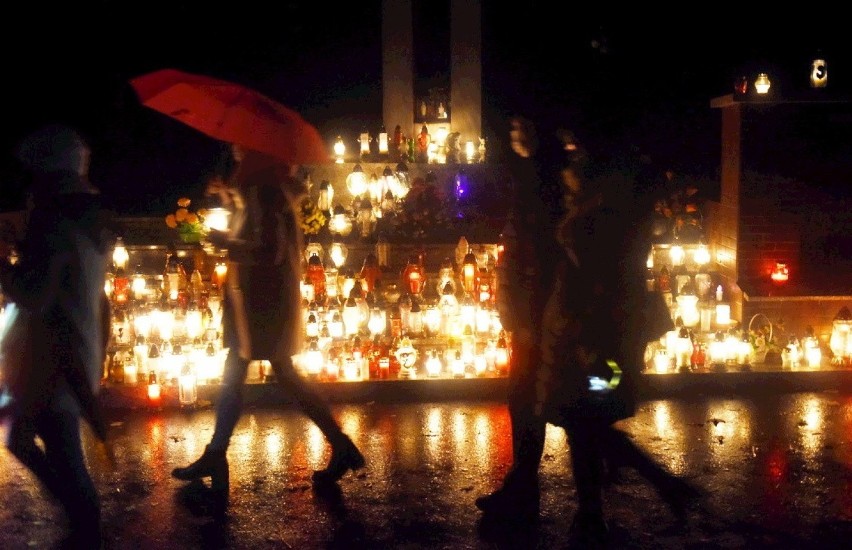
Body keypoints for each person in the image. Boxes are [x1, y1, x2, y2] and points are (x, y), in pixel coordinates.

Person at [171, 144, 364, 499]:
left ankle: (339, 445)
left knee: (266, 372)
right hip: (259, 298)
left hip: (261, 299)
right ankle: (338, 446)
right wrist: (229, 195)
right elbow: (259, 227)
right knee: (258, 372)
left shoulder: (265, 192)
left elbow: (267, 248)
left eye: (242, 151)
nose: (236, 154)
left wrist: (224, 241)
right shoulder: (265, 189)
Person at [535, 140, 702, 545]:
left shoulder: (602, 222)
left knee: (584, 418)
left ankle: (612, 507)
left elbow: (600, 284)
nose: (566, 171)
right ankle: (647, 492)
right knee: (586, 421)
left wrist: (586, 339)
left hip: (595, 346)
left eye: (575, 164)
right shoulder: (602, 214)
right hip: (589, 340)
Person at [0, 124, 116, 548]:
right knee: (22, 439)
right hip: (71, 348)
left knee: (59, 454)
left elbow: (34, 293)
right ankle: (80, 520)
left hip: (52, 357)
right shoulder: (88, 222)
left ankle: (85, 528)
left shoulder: (53, 224)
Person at [474, 116, 562, 521]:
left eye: (523, 126)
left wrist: (525, 309)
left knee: (529, 395)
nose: (514, 132)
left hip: (536, 308)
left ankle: (526, 486)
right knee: (525, 395)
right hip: (529, 307)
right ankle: (523, 481)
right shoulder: (530, 178)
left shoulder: (543, 182)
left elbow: (538, 248)